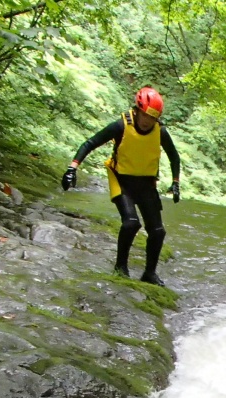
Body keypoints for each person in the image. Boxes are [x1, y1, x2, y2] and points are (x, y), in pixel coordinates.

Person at [61, 86, 180, 286]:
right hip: (121, 180)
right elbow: (90, 143)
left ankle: (149, 273)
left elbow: (174, 158)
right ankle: (120, 267)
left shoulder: (161, 132)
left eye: (153, 118)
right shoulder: (121, 125)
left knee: (158, 231)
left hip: (146, 183)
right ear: (138, 109)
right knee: (131, 223)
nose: (148, 121)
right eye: (145, 116)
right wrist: (73, 167)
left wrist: (175, 183)